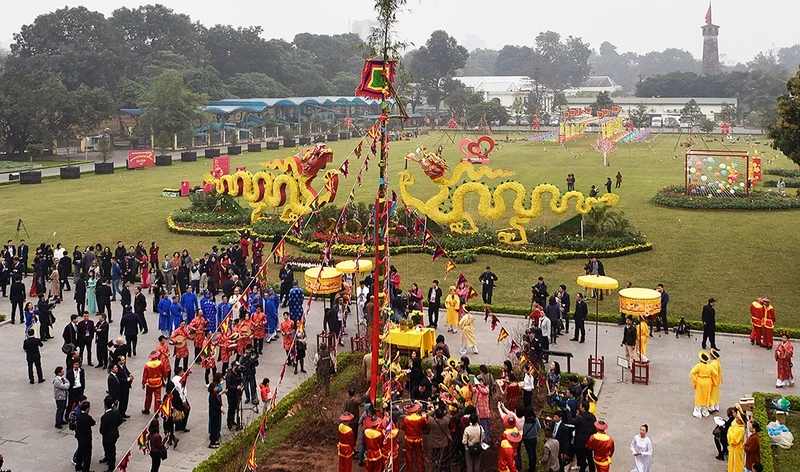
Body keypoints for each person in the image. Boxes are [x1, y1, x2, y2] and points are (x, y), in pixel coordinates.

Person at [690, 350, 720, 418]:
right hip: (708, 382)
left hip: (700, 381)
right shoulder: (709, 367)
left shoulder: (698, 366)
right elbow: (716, 373)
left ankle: (697, 411)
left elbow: (692, 372)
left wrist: (696, 380)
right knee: (707, 396)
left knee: (699, 396)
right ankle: (705, 411)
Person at [570, 401, 597, 472]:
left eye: (581, 406)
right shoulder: (593, 417)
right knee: (590, 458)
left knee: (582, 461)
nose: (579, 407)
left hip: (580, 443)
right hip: (590, 442)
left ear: (583, 408)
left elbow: (572, 421)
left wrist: (571, 413)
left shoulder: (580, 418)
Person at [402, 402, 428, 472]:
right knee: (419, 455)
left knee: (409, 456)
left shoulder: (406, 419)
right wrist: (424, 417)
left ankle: (409, 470)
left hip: (409, 439)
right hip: (418, 439)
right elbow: (426, 425)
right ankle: (420, 470)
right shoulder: (421, 418)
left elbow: (403, 427)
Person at [99, 396, 123, 471]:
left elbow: (102, 430)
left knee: (110, 450)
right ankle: (107, 457)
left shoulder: (104, 417)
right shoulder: (115, 412)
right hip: (114, 434)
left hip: (107, 435)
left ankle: (111, 466)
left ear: (105, 406)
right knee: (108, 448)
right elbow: (120, 420)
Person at [74, 401, 96, 472]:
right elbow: (93, 423)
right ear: (87, 409)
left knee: (80, 451)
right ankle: (86, 470)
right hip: (86, 438)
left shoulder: (78, 415)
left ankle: (78, 466)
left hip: (79, 437)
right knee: (87, 455)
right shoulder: (87, 417)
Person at [727, 405, 746, 472]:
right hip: (733, 448)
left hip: (736, 449)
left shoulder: (741, 430)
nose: (736, 419)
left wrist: (730, 431)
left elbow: (733, 439)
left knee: (736, 464)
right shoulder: (737, 426)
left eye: (738, 419)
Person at [208, 382, 223, 448]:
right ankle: (212, 442)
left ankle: (215, 440)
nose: (217, 388)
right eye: (215, 387)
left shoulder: (215, 394)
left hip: (217, 413)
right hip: (214, 414)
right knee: (214, 428)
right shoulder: (212, 396)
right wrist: (220, 409)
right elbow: (215, 405)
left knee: (216, 427)